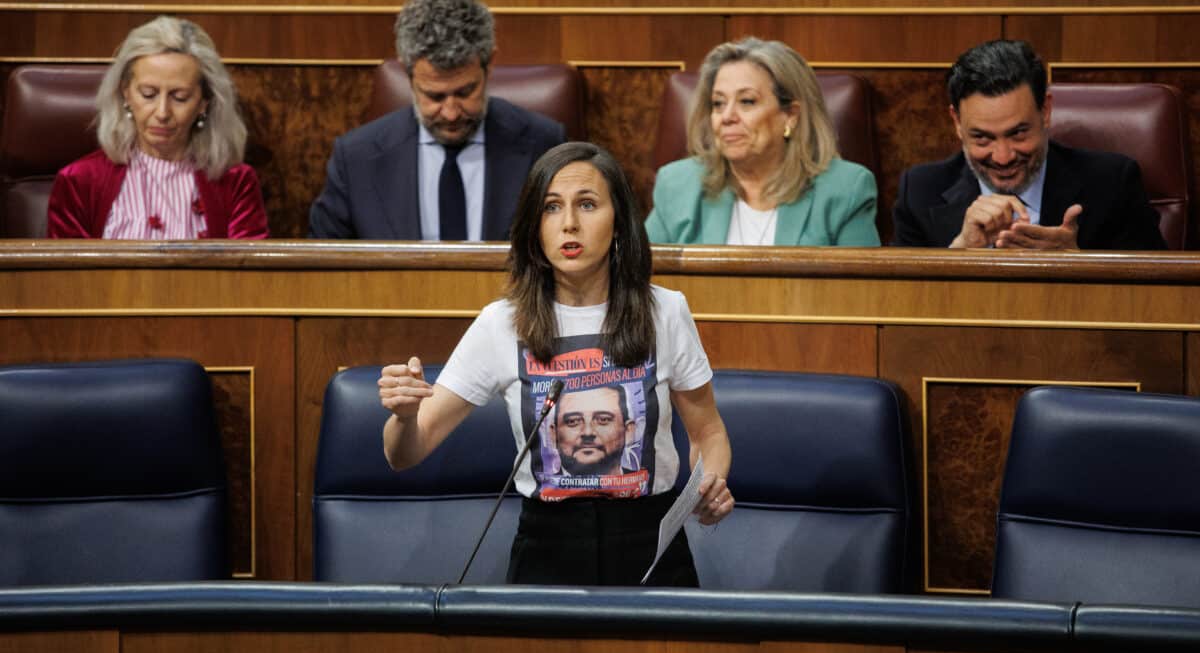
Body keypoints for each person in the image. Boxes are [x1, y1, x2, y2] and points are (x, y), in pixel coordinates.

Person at [378, 141, 733, 586]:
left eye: (587, 204)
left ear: (619, 222)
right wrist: (405, 417)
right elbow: (404, 452)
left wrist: (711, 482)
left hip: (650, 546)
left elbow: (709, 433)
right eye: (551, 208)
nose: (569, 223)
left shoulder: (665, 311)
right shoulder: (500, 324)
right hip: (547, 549)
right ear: (534, 227)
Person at [309, 0, 567, 240]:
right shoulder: (356, 160)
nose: (451, 112)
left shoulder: (544, 145)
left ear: (489, 65)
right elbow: (325, 271)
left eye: (465, 92)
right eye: (435, 96)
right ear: (408, 74)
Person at [892, 39, 1166, 250]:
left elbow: (1161, 299)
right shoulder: (920, 191)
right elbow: (896, 308)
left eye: (1018, 133)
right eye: (982, 138)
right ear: (956, 122)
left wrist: (1080, 266)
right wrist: (960, 252)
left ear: (1045, 111)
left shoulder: (1112, 184)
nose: (1002, 157)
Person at [47, 16, 268, 240]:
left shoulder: (236, 182)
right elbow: (68, 274)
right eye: (148, 94)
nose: (162, 113)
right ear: (125, 92)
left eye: (180, 97)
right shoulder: (79, 181)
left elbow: (247, 274)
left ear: (204, 103)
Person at [645, 37, 879, 247]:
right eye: (718, 103)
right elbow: (639, 282)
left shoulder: (845, 190)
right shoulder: (677, 185)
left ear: (791, 115)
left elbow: (861, 292)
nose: (727, 117)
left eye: (747, 101)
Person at [549, 386, 637, 477]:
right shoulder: (546, 487)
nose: (588, 432)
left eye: (603, 419)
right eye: (573, 421)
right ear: (554, 434)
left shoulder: (641, 483)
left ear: (628, 431)